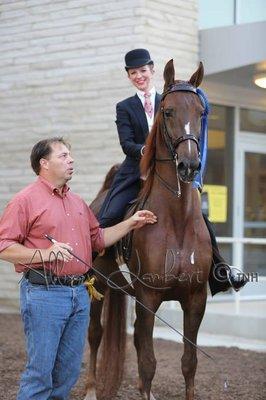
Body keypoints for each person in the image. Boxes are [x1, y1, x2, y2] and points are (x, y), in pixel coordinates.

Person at [0, 137, 157, 400]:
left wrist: (131, 223)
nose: (70, 160)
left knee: (68, 372)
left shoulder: (77, 203)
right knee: (40, 373)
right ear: (44, 163)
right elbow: (4, 246)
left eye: (70, 155)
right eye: (63, 156)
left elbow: (99, 240)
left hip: (80, 295)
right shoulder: (24, 200)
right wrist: (44, 253)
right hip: (44, 295)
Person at [98, 48, 248, 295]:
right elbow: (126, 144)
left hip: (169, 172)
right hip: (135, 170)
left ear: (152, 70)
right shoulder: (124, 107)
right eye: (133, 72)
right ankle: (91, 263)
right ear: (128, 76)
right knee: (109, 214)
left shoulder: (170, 100)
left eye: (143, 70)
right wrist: (148, 150)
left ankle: (221, 269)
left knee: (200, 217)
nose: (139, 76)